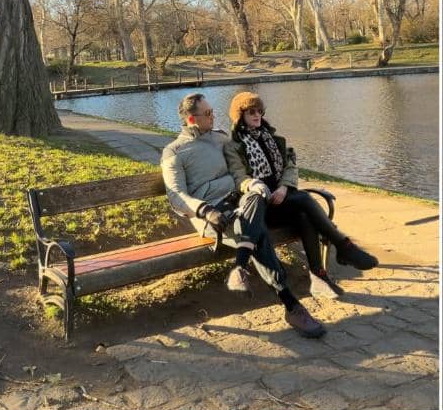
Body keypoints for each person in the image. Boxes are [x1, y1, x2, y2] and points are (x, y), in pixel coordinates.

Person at [161, 93, 326, 338]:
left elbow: (241, 171)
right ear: (192, 120)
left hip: (246, 201)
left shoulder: (220, 139)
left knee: (300, 211)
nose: (213, 115)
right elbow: (176, 195)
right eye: (208, 113)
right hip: (214, 214)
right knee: (255, 232)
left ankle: (319, 275)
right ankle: (292, 305)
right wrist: (205, 210)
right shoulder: (174, 152)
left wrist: (256, 184)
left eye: (212, 111)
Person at [223, 91, 378, 298]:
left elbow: (290, 167)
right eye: (251, 112)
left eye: (259, 111)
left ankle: (319, 277)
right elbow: (238, 176)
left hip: (282, 199)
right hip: (259, 208)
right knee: (304, 199)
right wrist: (253, 184)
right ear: (239, 116)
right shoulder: (234, 146)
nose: (257, 115)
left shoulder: (274, 139)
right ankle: (343, 246)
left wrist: (284, 187)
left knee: (304, 216)